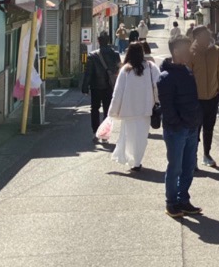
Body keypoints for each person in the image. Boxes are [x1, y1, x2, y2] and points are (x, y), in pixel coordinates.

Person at [158, 37, 203, 218]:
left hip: (191, 126)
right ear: (176, 51)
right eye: (187, 49)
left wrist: (195, 120)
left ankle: (183, 199)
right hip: (176, 129)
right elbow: (167, 107)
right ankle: (171, 203)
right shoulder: (165, 77)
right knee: (175, 167)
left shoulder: (187, 71)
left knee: (188, 166)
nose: (190, 53)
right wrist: (178, 123)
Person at [109, 43, 160, 171]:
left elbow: (118, 92)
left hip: (128, 110)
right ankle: (137, 160)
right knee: (141, 137)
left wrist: (113, 111)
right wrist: (158, 101)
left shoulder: (125, 70)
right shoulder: (150, 67)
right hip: (146, 109)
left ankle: (133, 161)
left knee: (129, 136)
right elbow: (159, 85)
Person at [190, 26, 219, 167]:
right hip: (196, 98)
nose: (205, 37)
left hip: (212, 96)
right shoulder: (191, 52)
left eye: (206, 34)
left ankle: (207, 154)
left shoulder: (216, 50)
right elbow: (188, 75)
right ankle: (193, 159)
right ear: (196, 37)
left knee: (209, 127)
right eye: (202, 35)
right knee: (195, 129)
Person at [81, 33, 122, 144]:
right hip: (110, 86)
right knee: (107, 110)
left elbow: (88, 73)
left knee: (94, 109)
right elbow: (120, 71)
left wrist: (85, 87)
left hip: (96, 87)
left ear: (98, 41)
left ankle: (95, 132)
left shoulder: (93, 55)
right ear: (108, 41)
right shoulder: (115, 54)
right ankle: (104, 135)